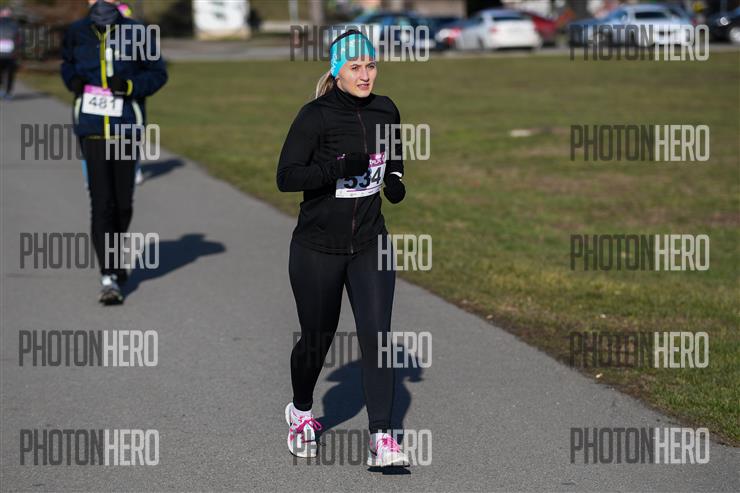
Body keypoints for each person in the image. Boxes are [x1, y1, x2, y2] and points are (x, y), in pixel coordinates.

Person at [277, 30, 409, 467]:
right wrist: (337, 168)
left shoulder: (386, 109)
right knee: (317, 339)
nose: (365, 75)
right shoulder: (314, 116)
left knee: (377, 337)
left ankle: (382, 438)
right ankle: (300, 411)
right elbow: (286, 177)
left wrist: (394, 180)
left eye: (371, 66)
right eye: (355, 67)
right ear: (337, 71)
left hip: (370, 243)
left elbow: (393, 157)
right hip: (318, 247)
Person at [61, 0, 167, 304]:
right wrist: (73, 80)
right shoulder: (77, 31)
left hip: (125, 129)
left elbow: (158, 73)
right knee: (101, 202)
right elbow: (67, 64)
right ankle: (108, 276)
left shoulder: (138, 32)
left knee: (122, 205)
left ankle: (114, 256)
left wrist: (130, 85)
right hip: (92, 129)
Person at [0, 7, 20, 100]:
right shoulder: (15, 25)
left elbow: (19, 39)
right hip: (11, 54)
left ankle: (6, 91)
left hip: (10, 54)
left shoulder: (15, 26)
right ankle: (7, 92)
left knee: (8, 73)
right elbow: (20, 40)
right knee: (9, 73)